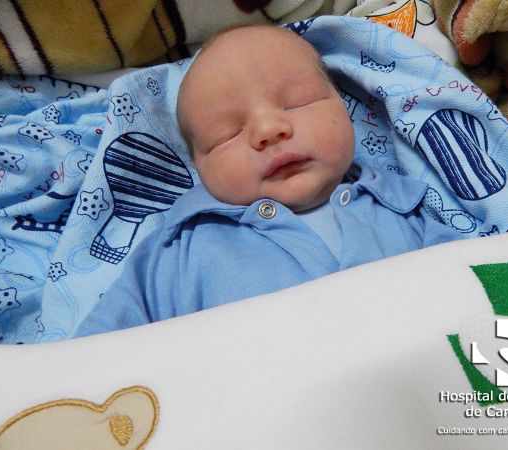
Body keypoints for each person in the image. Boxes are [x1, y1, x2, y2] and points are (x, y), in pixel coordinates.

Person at [74, 24, 462, 338]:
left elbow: (478, 290)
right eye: (227, 133)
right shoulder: (175, 249)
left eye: (296, 103)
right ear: (198, 168)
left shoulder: (404, 206)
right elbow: (87, 362)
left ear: (343, 108)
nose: (268, 129)